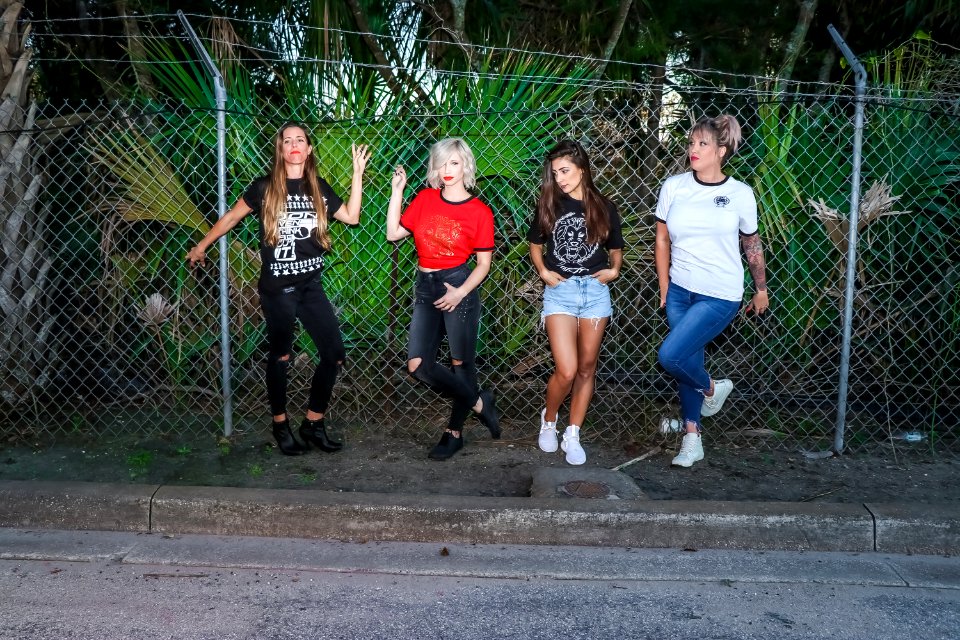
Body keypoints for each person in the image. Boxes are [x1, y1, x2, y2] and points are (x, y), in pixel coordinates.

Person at [187, 123, 371, 456]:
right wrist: (202, 245)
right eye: (287, 141)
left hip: (311, 286)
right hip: (278, 289)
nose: (294, 144)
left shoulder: (318, 188)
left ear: (308, 149)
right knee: (281, 356)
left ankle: (313, 423)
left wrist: (358, 172)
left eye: (300, 139)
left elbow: (353, 217)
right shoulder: (265, 187)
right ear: (281, 150)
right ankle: (280, 424)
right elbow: (231, 218)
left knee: (333, 354)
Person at [655, 114, 769, 467]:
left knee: (670, 357)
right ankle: (693, 439)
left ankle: (710, 388)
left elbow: (752, 243)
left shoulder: (739, 194)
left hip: (719, 294)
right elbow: (661, 238)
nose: (694, 149)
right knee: (689, 359)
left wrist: (760, 288)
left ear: (721, 151)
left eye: (703, 144)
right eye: (691, 143)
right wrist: (664, 286)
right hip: (679, 290)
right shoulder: (674, 186)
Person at [386, 137, 500, 460]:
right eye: (441, 163)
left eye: (454, 163)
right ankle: (480, 403)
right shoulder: (424, 199)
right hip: (426, 286)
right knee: (417, 364)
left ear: (466, 166)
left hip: (458, 284)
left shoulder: (480, 212)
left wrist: (461, 292)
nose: (447, 170)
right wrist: (397, 192)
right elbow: (393, 233)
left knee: (461, 362)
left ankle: (454, 433)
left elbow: (483, 265)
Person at [528, 140, 624, 466]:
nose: (560, 178)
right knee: (566, 370)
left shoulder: (605, 207)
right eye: (555, 173)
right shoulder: (550, 204)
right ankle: (550, 419)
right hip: (561, 292)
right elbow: (535, 244)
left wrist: (614, 271)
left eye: (565, 171)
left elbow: (615, 248)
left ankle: (573, 433)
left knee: (586, 368)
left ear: (582, 168)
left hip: (595, 294)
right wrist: (543, 271)